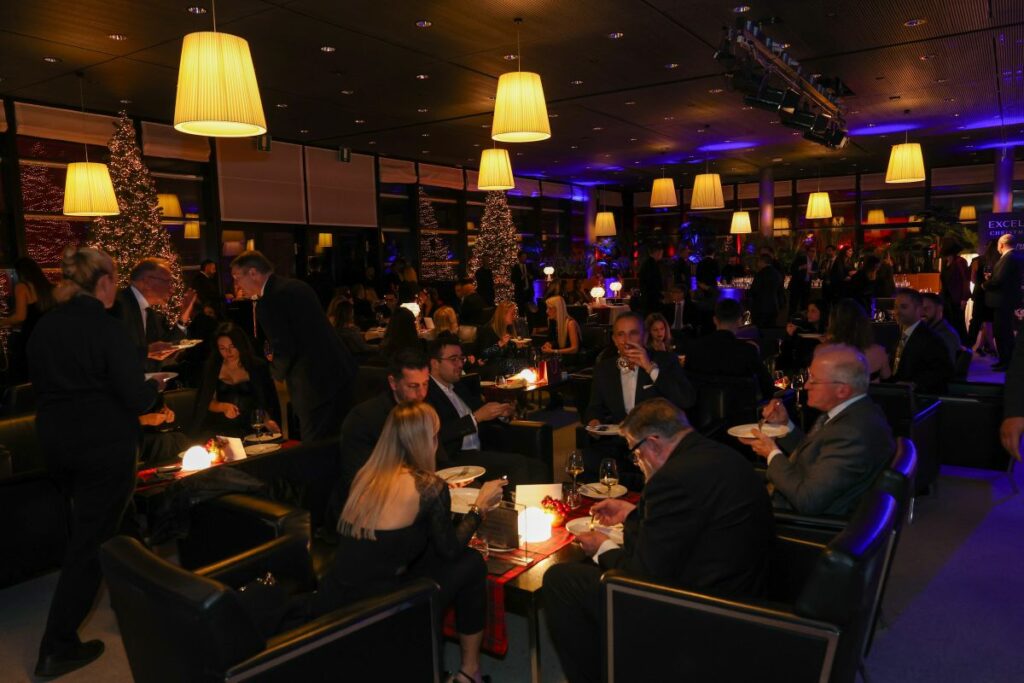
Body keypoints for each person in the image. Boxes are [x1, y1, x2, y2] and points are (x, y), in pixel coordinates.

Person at [545, 398, 775, 683]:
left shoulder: (672, 479)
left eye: (635, 452)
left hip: (705, 609)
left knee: (561, 580)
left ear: (652, 442)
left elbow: (641, 576)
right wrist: (632, 514)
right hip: (748, 590)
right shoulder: (720, 454)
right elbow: (686, 524)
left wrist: (601, 548)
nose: (637, 462)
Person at [29, 246, 164, 678]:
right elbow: (136, 397)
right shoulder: (107, 329)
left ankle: (151, 599)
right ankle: (57, 645)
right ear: (103, 282)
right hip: (103, 447)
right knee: (90, 544)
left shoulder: (45, 326)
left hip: (57, 444)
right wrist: (156, 385)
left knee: (112, 525)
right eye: (114, 281)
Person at [310, 401, 506, 683]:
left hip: (339, 592)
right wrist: (479, 508)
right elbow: (450, 550)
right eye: (435, 435)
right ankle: (470, 671)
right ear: (425, 441)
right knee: (471, 562)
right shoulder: (427, 486)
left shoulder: (367, 475)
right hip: (384, 604)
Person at [740, 344, 894, 516]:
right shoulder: (856, 412)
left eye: (814, 380)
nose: (806, 385)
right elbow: (816, 454)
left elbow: (808, 500)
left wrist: (771, 453)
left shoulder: (852, 433)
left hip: (791, 518)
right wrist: (784, 425)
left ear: (842, 390)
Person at [230, 250, 356, 442]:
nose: (237, 285)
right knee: (342, 439)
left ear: (253, 273)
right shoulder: (296, 286)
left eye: (237, 277)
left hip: (313, 386)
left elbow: (284, 348)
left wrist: (272, 374)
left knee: (315, 446)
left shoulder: (268, 301)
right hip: (341, 372)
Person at [584, 313, 695, 489]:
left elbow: (685, 400)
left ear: (644, 337)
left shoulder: (665, 361)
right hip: (619, 441)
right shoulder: (604, 369)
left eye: (633, 333)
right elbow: (594, 407)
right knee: (586, 462)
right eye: (621, 334)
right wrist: (593, 421)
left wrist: (649, 368)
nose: (626, 340)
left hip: (655, 442)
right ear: (614, 340)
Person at [425, 333, 546, 485]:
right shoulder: (426, 393)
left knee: (538, 467)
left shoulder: (458, 386)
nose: (460, 364)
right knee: (518, 464)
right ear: (435, 363)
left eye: (461, 359)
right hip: (455, 457)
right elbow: (437, 435)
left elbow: (481, 409)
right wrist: (476, 418)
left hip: (480, 447)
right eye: (453, 359)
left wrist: (501, 412)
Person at [333, 349, 436, 511]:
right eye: (413, 386)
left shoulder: (423, 408)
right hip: (373, 505)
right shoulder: (363, 419)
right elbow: (358, 480)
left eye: (425, 384)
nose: (422, 393)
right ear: (393, 383)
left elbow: (437, 460)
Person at [190, 323, 281, 439]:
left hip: (251, 427)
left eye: (232, 346)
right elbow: (205, 402)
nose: (228, 352)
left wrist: (267, 420)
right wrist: (223, 407)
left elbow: (266, 401)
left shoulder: (257, 367)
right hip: (221, 427)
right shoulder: (212, 368)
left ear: (240, 344)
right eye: (222, 348)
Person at [110, 257, 196, 370]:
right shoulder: (117, 304)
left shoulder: (150, 313)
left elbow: (163, 349)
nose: (172, 289)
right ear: (147, 282)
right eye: (168, 282)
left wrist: (183, 317)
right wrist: (146, 352)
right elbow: (108, 352)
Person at [683, 298, 774, 399]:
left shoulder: (695, 347)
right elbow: (768, 388)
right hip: (741, 407)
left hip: (702, 407)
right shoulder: (748, 351)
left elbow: (686, 386)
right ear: (740, 321)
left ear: (715, 320)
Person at [0, 257, 56, 382]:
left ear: (21, 273)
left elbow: (20, 316)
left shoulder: (22, 287)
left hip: (29, 337)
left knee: (23, 374)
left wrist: (2, 322)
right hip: (47, 336)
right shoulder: (48, 287)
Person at [890, 288, 954, 393]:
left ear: (919, 310)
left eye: (904, 307)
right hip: (898, 392)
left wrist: (914, 384)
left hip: (919, 396)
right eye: (895, 307)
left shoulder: (931, 339)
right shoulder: (897, 334)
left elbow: (943, 371)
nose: (897, 312)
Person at [982, 233, 1023, 371]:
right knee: (1004, 332)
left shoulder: (1009, 258)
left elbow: (999, 280)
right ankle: (1004, 361)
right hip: (1005, 301)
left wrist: (985, 284)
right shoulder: (1013, 257)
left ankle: (1006, 362)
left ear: (1001, 245)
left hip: (1002, 301)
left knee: (1003, 333)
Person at [826, 298, 891, 381]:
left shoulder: (824, 353)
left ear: (833, 323)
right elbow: (888, 382)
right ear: (864, 323)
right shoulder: (879, 352)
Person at [475, 301, 524, 379]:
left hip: (505, 366)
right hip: (492, 368)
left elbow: (511, 355)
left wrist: (518, 348)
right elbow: (483, 355)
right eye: (512, 314)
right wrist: (499, 344)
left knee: (524, 363)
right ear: (503, 315)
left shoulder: (509, 329)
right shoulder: (488, 330)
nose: (514, 317)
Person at [967, 241, 998, 357]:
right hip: (991, 294)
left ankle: (973, 345)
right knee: (988, 321)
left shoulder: (977, 260)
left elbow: (973, 279)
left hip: (979, 293)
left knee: (976, 321)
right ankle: (987, 347)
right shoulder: (998, 262)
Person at [940, 242, 970, 342]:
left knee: (958, 324)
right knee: (948, 323)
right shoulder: (945, 262)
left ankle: (962, 346)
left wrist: (964, 298)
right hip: (946, 298)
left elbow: (965, 280)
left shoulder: (960, 261)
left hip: (957, 298)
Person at [921, 292, 961, 363]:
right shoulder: (928, 330)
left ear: (939, 309)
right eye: (920, 309)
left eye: (926, 308)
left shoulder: (946, 336)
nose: (922, 313)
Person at [749, 253, 784, 328]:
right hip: (774, 307)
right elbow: (780, 291)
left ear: (762, 262)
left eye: (758, 261)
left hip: (760, 308)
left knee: (759, 330)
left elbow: (754, 290)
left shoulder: (760, 274)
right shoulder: (777, 274)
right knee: (770, 329)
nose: (757, 264)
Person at [788, 245, 818, 316]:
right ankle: (791, 319)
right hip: (796, 285)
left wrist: (813, 274)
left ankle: (802, 319)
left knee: (804, 305)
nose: (813, 253)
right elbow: (792, 269)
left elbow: (816, 274)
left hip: (806, 285)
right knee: (793, 304)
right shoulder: (800, 259)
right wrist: (801, 267)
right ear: (807, 252)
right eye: (811, 251)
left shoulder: (815, 263)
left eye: (814, 252)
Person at [638, 243, 665, 316]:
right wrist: (660, 294)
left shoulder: (647, 263)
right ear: (657, 252)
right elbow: (653, 282)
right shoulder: (652, 265)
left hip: (647, 296)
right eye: (661, 253)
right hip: (651, 298)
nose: (662, 255)